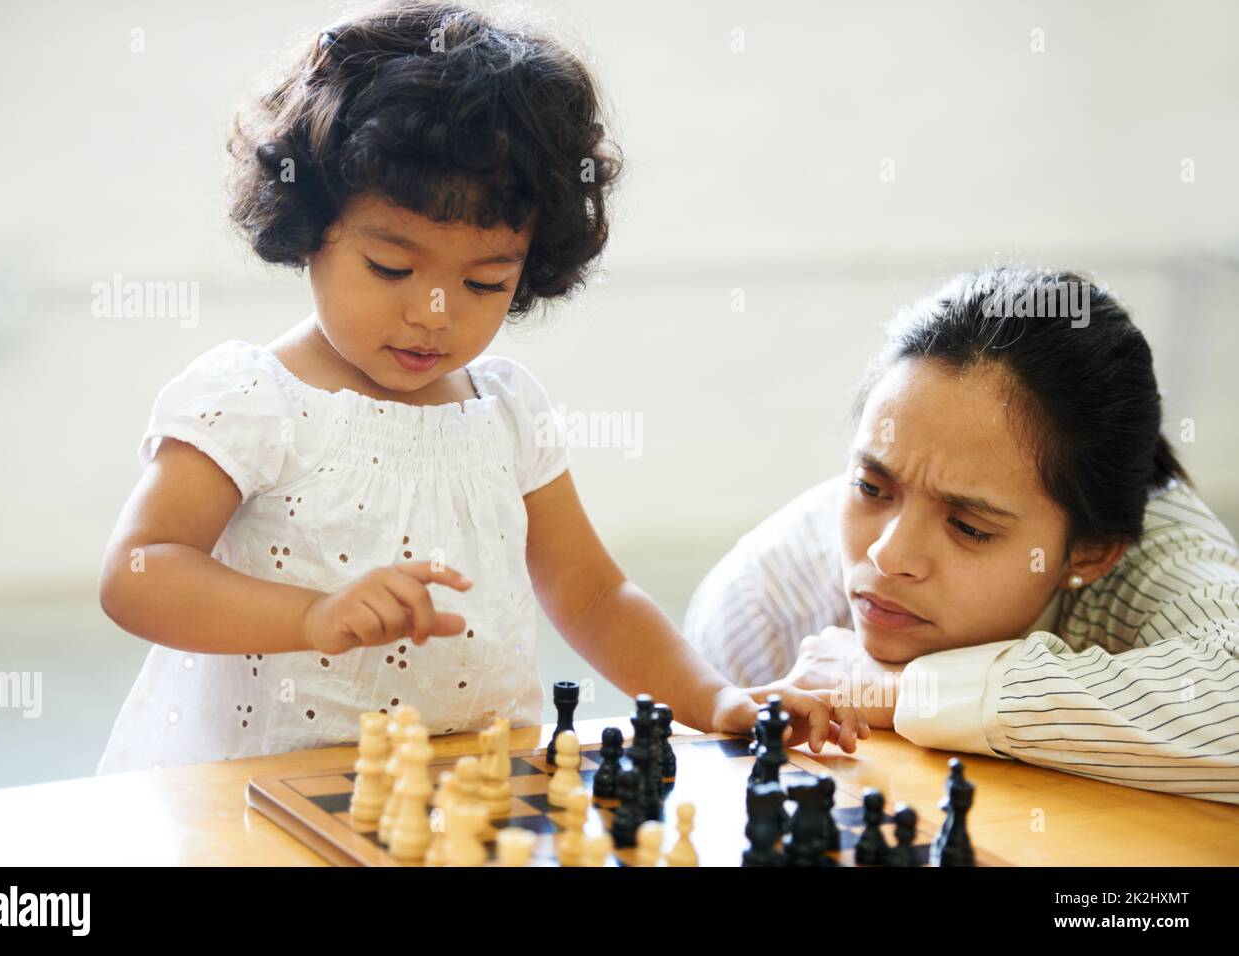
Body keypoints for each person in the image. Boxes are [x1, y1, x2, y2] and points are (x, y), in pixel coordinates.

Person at [96, 1, 865, 774]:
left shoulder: (504, 410)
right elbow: (140, 572)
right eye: (391, 269)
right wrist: (314, 616)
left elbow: (595, 597)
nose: (433, 313)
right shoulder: (255, 399)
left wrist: (715, 699)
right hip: (269, 793)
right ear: (308, 226)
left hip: (461, 790)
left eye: (484, 281)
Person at [685, 267, 1239, 804]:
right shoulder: (762, 607)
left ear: (1092, 552)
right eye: (872, 488)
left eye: (969, 527)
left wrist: (897, 689)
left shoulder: (1163, 559)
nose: (888, 555)